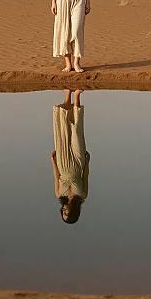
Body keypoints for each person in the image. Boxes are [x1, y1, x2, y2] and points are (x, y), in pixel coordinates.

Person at [50, 89, 90, 224]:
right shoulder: (82, 195)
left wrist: (52, 161)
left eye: (63, 213)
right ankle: (77, 95)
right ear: (73, 212)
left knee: (63, 130)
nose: (64, 211)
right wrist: (88, 162)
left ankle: (67, 94)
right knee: (76, 131)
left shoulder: (59, 194)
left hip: (63, 162)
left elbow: (56, 176)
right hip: (79, 163)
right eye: (67, 213)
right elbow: (85, 176)